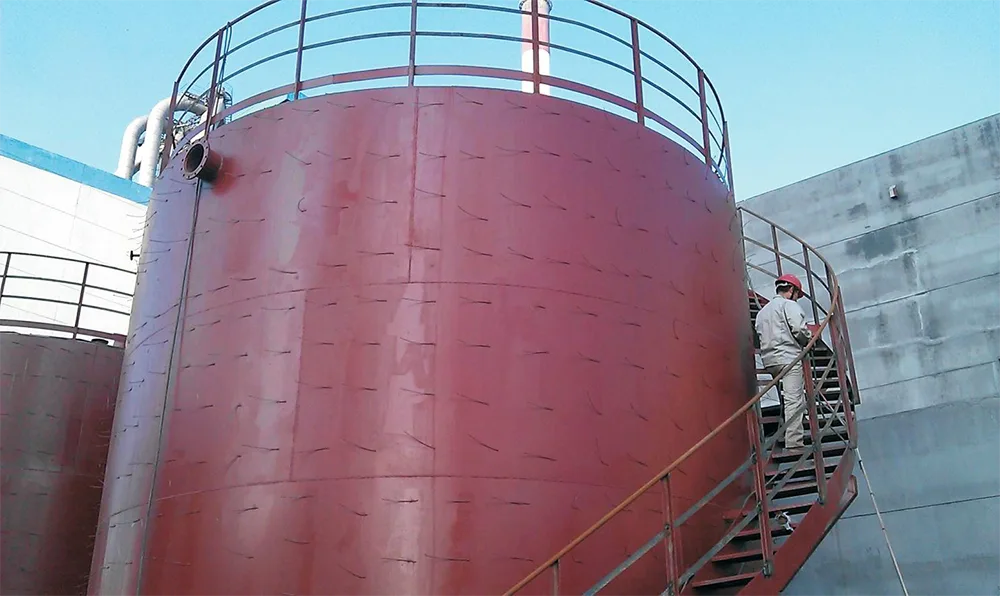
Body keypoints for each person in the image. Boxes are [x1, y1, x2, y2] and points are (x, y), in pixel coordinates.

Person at [755, 273, 812, 454]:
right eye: (797, 295)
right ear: (792, 290)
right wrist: (809, 338)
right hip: (788, 359)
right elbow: (799, 329)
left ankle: (784, 432)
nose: (796, 298)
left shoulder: (762, 312)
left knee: (786, 398)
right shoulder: (789, 305)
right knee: (794, 400)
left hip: (770, 361)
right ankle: (794, 443)